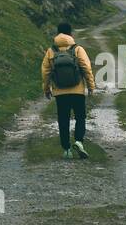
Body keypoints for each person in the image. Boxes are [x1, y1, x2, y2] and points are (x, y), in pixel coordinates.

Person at [41, 21, 97, 159]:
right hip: (77, 91)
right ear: (71, 33)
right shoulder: (77, 49)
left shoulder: (51, 51)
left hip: (60, 92)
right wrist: (91, 86)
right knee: (80, 117)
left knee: (63, 120)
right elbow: (86, 68)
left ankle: (66, 149)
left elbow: (45, 72)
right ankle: (78, 141)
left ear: (57, 33)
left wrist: (46, 89)